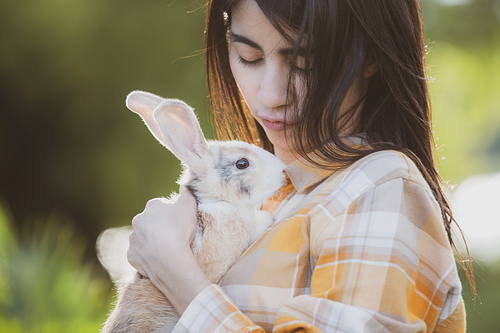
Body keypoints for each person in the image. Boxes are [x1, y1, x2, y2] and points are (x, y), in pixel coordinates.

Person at [127, 0, 472, 331]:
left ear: (371, 56)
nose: (271, 95)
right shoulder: (277, 194)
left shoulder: (380, 186)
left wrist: (173, 269)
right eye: (249, 57)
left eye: (304, 62)